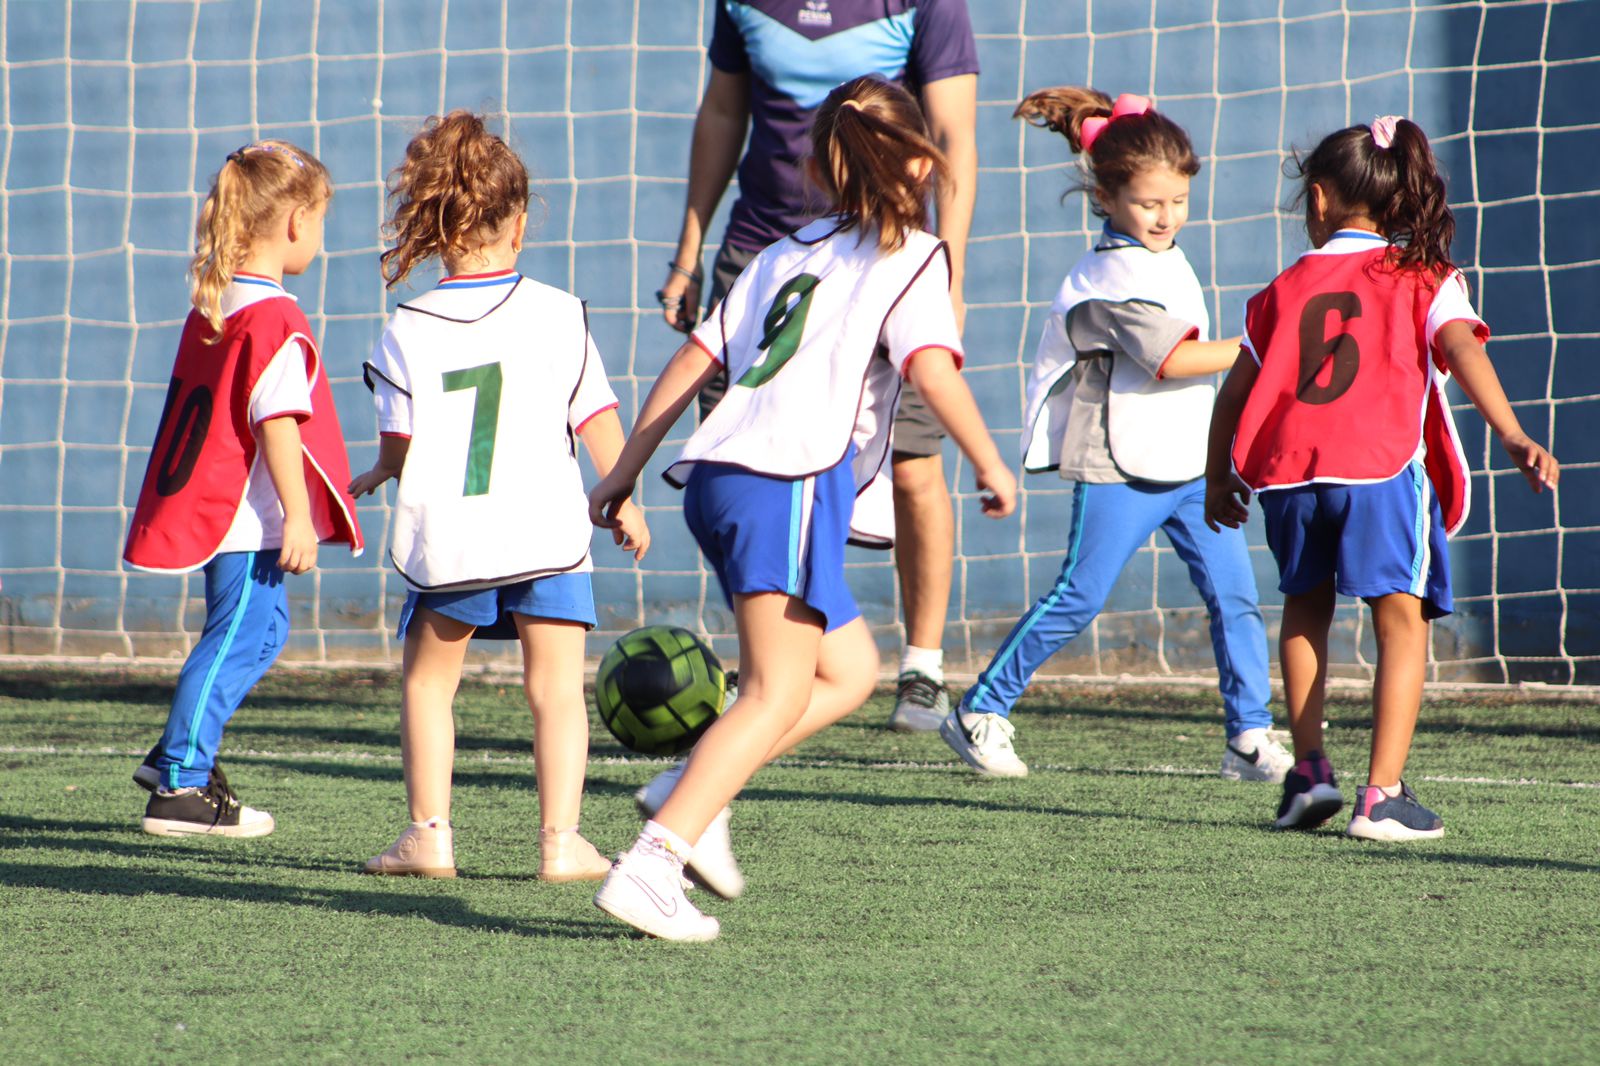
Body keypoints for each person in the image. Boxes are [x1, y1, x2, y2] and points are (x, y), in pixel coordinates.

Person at [589, 76, 1016, 941]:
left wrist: (625, 470)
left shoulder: (783, 251)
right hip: (782, 483)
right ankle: (654, 862)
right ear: (914, 162)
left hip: (717, 476)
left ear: (824, 169)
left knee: (850, 670)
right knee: (776, 691)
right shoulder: (917, 256)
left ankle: (689, 789)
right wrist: (991, 459)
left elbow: (691, 365)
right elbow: (933, 373)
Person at [1205, 116, 1559, 840]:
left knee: (1304, 610)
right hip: (1380, 466)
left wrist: (1219, 475)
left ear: (1318, 199)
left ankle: (1308, 774)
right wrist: (1513, 431)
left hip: (1291, 473)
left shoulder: (1283, 286)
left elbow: (1234, 395)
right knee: (1401, 622)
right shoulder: (1424, 275)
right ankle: (1382, 796)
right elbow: (1460, 345)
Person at [939, 88, 1291, 782]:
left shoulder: (1166, 256)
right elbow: (1173, 360)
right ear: (1105, 198)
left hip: (1192, 466)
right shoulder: (1105, 278)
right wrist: (1268, 343)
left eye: (1178, 201)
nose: (1166, 216)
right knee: (1079, 596)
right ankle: (978, 710)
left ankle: (1249, 737)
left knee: (1236, 599)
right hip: (1118, 466)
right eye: (1149, 203)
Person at [656, 0, 980, 732]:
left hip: (881, 257)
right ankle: (774, 665)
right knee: (749, 457)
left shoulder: (926, 7)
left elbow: (954, 130)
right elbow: (721, 113)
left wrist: (949, 273)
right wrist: (689, 254)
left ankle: (921, 666)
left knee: (914, 464)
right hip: (768, 249)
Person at [350, 112, 649, 881]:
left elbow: (401, 439)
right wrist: (623, 499)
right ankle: (561, 843)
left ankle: (429, 836)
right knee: (554, 688)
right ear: (518, 223)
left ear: (436, 228)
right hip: (546, 529)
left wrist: (383, 469)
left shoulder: (406, 327)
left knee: (428, 681)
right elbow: (599, 419)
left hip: (451, 536)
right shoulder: (559, 312)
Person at [125, 140, 364, 837]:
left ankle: (175, 750)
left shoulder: (217, 305)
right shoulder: (274, 317)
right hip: (242, 516)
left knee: (262, 631)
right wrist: (296, 515)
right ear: (294, 224)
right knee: (239, 634)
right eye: (320, 221)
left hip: (219, 509)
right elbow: (277, 421)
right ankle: (181, 786)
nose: (319, 237)